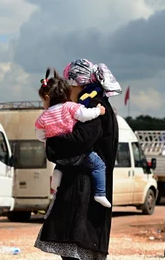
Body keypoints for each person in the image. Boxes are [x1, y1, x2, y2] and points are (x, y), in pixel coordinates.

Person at [34, 59, 121, 260]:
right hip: (97, 187)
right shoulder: (99, 103)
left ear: (77, 83)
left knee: (73, 252)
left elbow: (77, 142)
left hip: (81, 189)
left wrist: (52, 144)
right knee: (92, 253)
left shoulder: (91, 106)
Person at [34, 67, 111, 208]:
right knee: (99, 165)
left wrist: (50, 139)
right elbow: (84, 115)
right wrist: (98, 111)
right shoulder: (69, 107)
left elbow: (39, 134)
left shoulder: (43, 116)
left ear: (47, 98)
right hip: (78, 155)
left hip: (59, 157)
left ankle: (57, 175)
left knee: (62, 164)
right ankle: (100, 193)